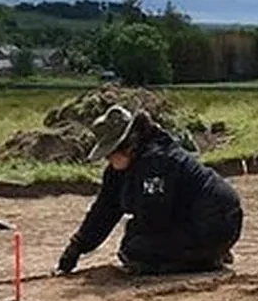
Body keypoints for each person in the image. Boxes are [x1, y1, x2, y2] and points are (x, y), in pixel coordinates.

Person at [56, 106, 243, 276]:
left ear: (128, 145)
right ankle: (202, 253)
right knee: (136, 244)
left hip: (217, 222)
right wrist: (75, 249)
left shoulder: (157, 161)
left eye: (110, 153)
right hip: (194, 221)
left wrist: (134, 237)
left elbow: (154, 217)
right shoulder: (122, 168)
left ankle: (206, 258)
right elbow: (104, 210)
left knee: (136, 251)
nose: (107, 159)